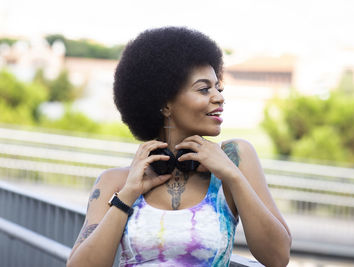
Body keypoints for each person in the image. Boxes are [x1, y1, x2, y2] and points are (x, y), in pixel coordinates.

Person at [67, 27, 291, 267]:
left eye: (218, 87)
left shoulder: (235, 159)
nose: (219, 97)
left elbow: (277, 258)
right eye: (204, 89)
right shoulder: (115, 182)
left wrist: (232, 175)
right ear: (165, 104)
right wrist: (128, 194)